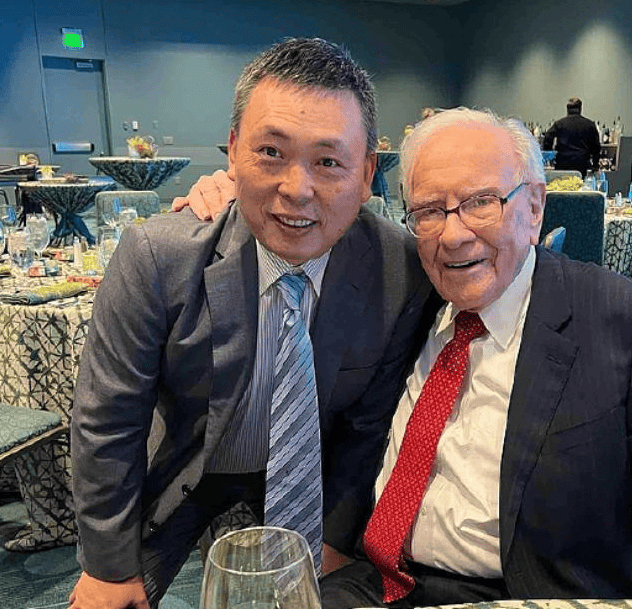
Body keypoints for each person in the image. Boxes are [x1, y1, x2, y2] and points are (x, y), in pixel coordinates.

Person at [178, 110, 632, 608]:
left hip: (527, 593)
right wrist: (234, 202)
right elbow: (304, 221)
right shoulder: (402, 294)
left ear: (535, 208)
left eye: (481, 203)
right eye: (429, 211)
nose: (454, 234)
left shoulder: (620, 319)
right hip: (374, 581)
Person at [69, 38, 437, 609]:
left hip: (314, 472)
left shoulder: (401, 269)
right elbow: (108, 420)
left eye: (328, 162)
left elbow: (368, 428)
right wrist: (108, 569)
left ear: (367, 174)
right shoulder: (158, 257)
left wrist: (335, 539)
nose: (297, 189)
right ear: (234, 151)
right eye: (270, 152)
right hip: (190, 462)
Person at [541, 96, 602, 177]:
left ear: (567, 109)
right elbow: (596, 148)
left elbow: (547, 137)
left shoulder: (559, 124)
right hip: (582, 165)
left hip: (562, 164)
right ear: (580, 108)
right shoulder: (590, 125)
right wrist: (595, 165)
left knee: (562, 183)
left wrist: (550, 154)